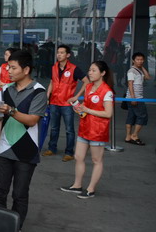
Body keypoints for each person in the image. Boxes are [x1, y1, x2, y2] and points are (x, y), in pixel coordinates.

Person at [0, 50, 47, 227]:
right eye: (8, 67)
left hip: (26, 150)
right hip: (4, 148)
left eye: (13, 68)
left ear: (26, 70)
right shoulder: (6, 89)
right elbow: (0, 117)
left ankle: (15, 231)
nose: (8, 71)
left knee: (19, 194)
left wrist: (10, 111)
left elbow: (32, 120)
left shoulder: (39, 91)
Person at [61, 61, 114, 199]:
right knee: (78, 157)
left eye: (94, 70)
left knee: (96, 160)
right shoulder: (89, 87)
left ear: (103, 73)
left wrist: (87, 110)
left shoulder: (107, 91)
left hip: (98, 130)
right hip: (85, 127)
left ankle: (91, 189)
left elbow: (108, 113)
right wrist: (79, 108)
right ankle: (77, 185)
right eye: (90, 70)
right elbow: (86, 105)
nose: (90, 73)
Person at [42, 45, 89, 162]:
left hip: (67, 104)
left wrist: (76, 96)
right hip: (54, 102)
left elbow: (87, 81)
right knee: (54, 128)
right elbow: (52, 82)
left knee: (69, 129)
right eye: (58, 52)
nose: (59, 54)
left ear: (68, 55)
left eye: (62, 52)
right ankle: (52, 148)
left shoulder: (74, 69)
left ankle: (69, 152)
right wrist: (47, 95)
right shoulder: (54, 67)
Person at [125, 52, 150, 146]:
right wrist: (133, 98)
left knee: (131, 116)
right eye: (138, 59)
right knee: (142, 116)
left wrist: (141, 67)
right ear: (133, 60)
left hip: (134, 97)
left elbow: (148, 77)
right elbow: (130, 84)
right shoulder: (131, 71)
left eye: (141, 60)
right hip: (136, 98)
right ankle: (134, 136)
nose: (140, 61)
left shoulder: (138, 70)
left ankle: (128, 137)